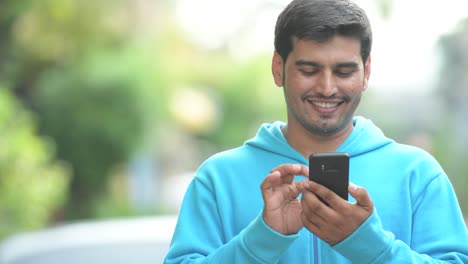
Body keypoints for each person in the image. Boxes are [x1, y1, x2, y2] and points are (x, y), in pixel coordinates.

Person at [164, 0, 468, 263]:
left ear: (367, 72)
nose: (327, 87)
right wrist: (262, 238)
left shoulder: (418, 174)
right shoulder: (217, 178)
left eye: (344, 71)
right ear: (277, 68)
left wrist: (371, 246)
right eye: (309, 70)